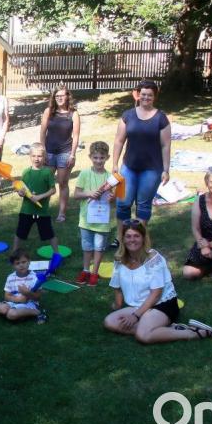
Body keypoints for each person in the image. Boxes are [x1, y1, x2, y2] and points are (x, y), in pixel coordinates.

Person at [103, 220, 212, 343]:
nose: (132, 240)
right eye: (128, 236)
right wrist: (118, 305)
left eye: (136, 236)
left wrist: (135, 316)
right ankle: (164, 329)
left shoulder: (153, 259)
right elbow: (117, 286)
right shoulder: (119, 259)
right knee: (110, 322)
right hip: (138, 305)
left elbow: (156, 294)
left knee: (143, 336)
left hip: (161, 304)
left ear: (143, 238)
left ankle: (192, 333)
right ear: (122, 239)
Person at [110, 80, 171, 248]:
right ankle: (121, 238)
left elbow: (166, 146)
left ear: (154, 97)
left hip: (152, 170)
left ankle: (138, 239)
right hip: (128, 167)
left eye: (149, 95)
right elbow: (119, 141)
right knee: (122, 203)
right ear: (138, 95)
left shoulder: (161, 118)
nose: (146, 98)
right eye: (143, 94)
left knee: (143, 205)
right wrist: (115, 164)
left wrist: (166, 169)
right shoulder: (128, 115)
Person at [72, 141, 115, 286]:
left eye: (102, 158)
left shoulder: (110, 178)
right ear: (90, 157)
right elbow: (76, 194)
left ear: (107, 157)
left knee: (99, 247)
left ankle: (94, 273)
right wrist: (89, 193)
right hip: (86, 220)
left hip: (102, 220)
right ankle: (86, 270)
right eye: (95, 157)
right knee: (87, 247)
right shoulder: (84, 174)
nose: (98, 161)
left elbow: (114, 201)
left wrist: (112, 198)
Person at [39, 84, 80, 222]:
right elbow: (42, 132)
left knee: (62, 183)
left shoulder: (73, 113)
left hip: (65, 153)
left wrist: (72, 154)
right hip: (49, 152)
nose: (59, 98)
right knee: (46, 183)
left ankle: (62, 213)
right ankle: (42, 210)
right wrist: (43, 150)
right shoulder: (48, 111)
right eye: (57, 96)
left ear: (68, 96)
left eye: (62, 95)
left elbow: (76, 136)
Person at [11, 143, 59, 254]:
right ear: (29, 156)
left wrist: (39, 197)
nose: (36, 159)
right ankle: (14, 254)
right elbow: (22, 189)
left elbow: (53, 190)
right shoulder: (26, 172)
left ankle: (57, 255)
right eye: (33, 156)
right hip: (27, 210)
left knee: (49, 234)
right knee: (20, 233)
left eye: (39, 156)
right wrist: (20, 192)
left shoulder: (47, 172)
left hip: (42, 211)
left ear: (44, 157)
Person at [0, 248, 48, 324]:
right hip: (13, 302)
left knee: (11, 314)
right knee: (2, 309)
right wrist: (17, 299)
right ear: (13, 266)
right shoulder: (10, 277)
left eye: (24, 262)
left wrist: (27, 293)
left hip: (29, 304)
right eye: (17, 263)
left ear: (29, 262)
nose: (21, 265)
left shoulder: (35, 277)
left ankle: (38, 312)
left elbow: (38, 298)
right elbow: (6, 296)